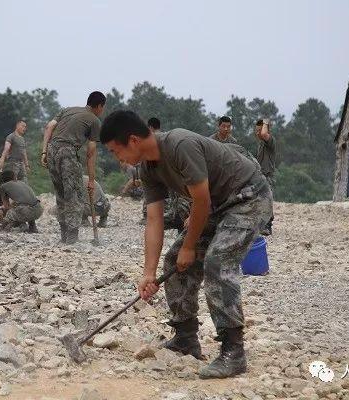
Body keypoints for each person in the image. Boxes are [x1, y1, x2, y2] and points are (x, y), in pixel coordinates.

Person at [100, 110, 272, 379]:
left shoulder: (180, 145)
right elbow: (154, 219)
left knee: (218, 260)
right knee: (173, 261)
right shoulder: (148, 168)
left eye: (114, 151)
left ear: (132, 140)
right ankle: (186, 337)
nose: (116, 158)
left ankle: (233, 352)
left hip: (247, 197)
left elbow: (201, 201)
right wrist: (148, 273)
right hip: (215, 205)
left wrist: (190, 246)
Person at [41, 91, 106, 244]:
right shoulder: (94, 120)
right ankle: (72, 237)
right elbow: (91, 153)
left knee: (60, 193)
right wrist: (91, 180)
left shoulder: (68, 109)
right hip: (67, 153)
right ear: (99, 106)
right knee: (74, 195)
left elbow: (49, 126)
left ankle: (64, 235)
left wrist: (44, 151)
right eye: (103, 107)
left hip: (51, 150)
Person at [255, 119, 276, 235]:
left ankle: (268, 225)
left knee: (267, 200)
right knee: (260, 200)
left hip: (268, 176)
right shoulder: (261, 144)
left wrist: (266, 122)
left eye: (260, 130)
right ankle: (262, 224)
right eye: (256, 130)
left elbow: (264, 134)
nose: (258, 133)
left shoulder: (270, 141)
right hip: (260, 175)